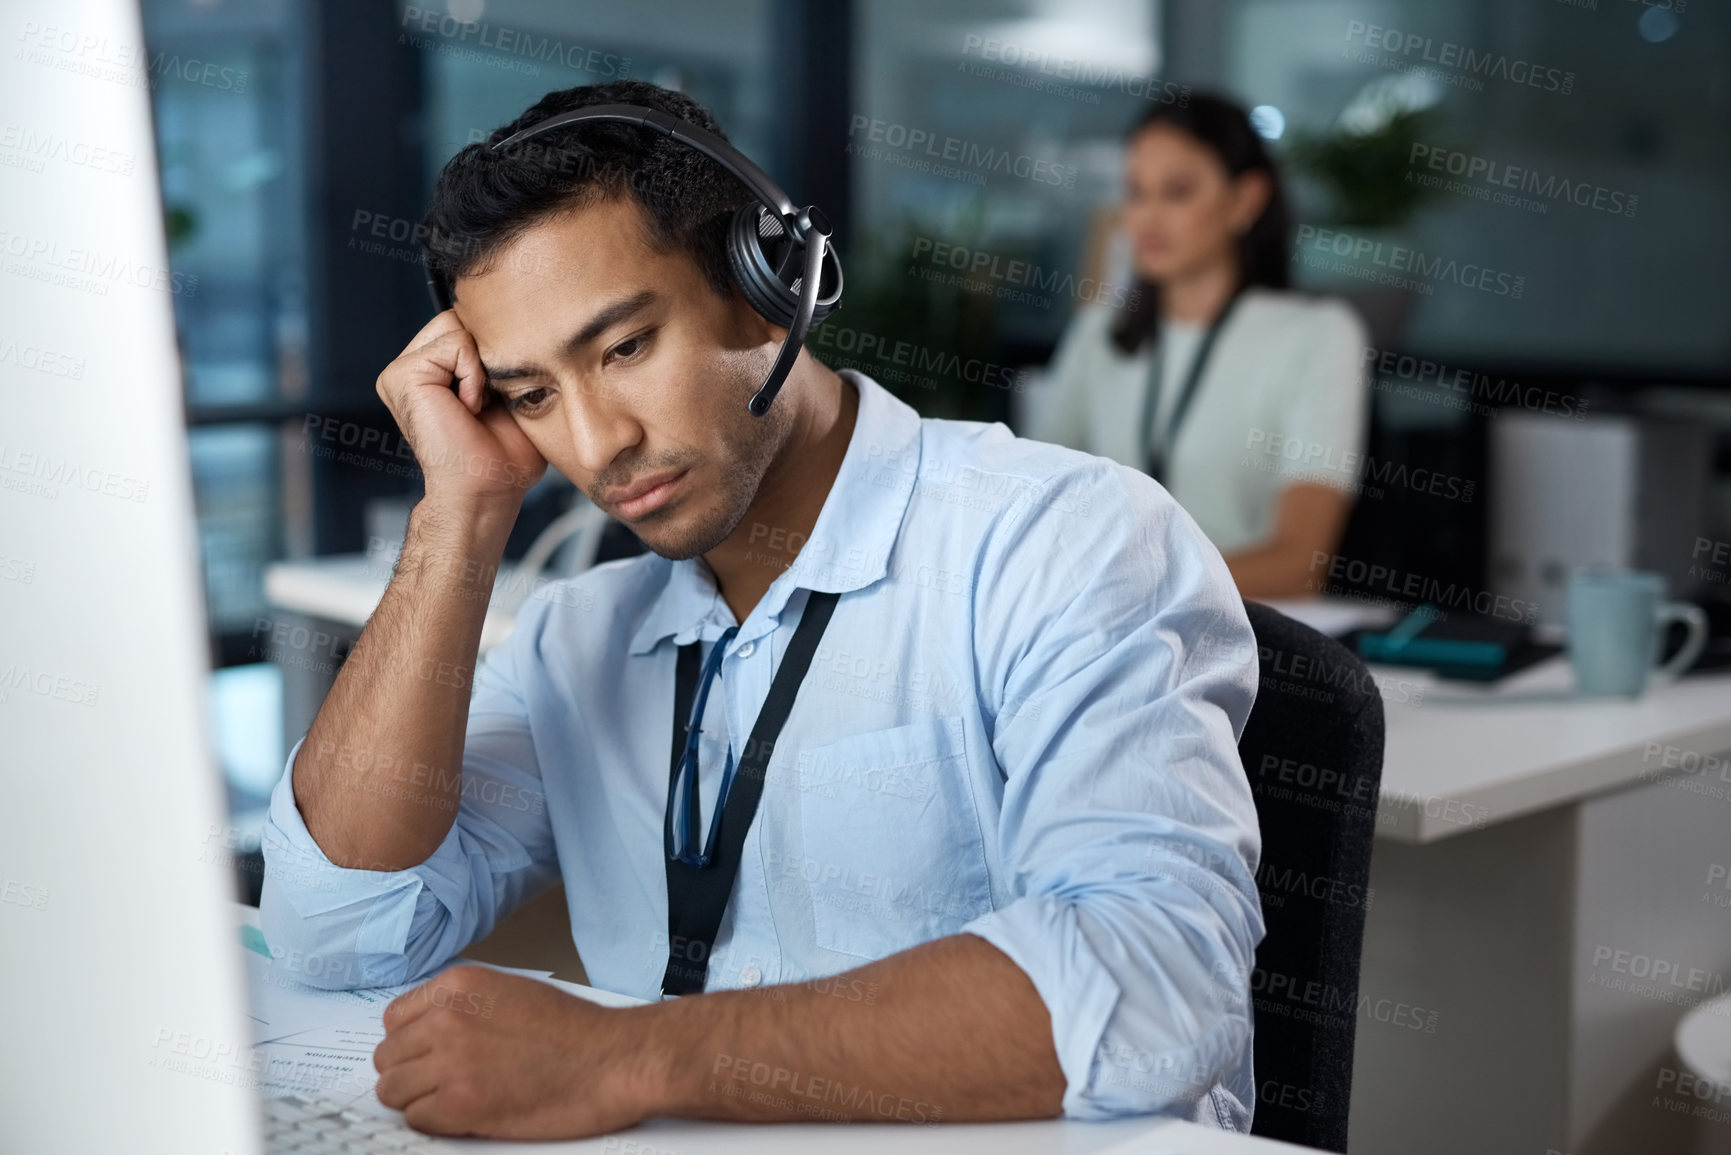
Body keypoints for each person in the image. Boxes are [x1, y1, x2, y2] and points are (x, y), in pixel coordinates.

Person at [260, 80, 1263, 1141]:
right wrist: (458, 516)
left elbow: (1155, 985)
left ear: (768, 282)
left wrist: (625, 1057)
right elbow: (337, 930)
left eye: (625, 348)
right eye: (533, 395)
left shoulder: (1062, 542)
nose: (598, 446)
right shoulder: (577, 637)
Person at [1030, 93, 1369, 599]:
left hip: (1250, 635)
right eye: (1136, 192)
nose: (1146, 218)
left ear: (1246, 199)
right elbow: (1037, 511)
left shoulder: (1319, 335)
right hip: (1105, 631)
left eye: (1178, 192)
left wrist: (1135, 588)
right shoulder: (1099, 331)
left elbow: (1300, 563)